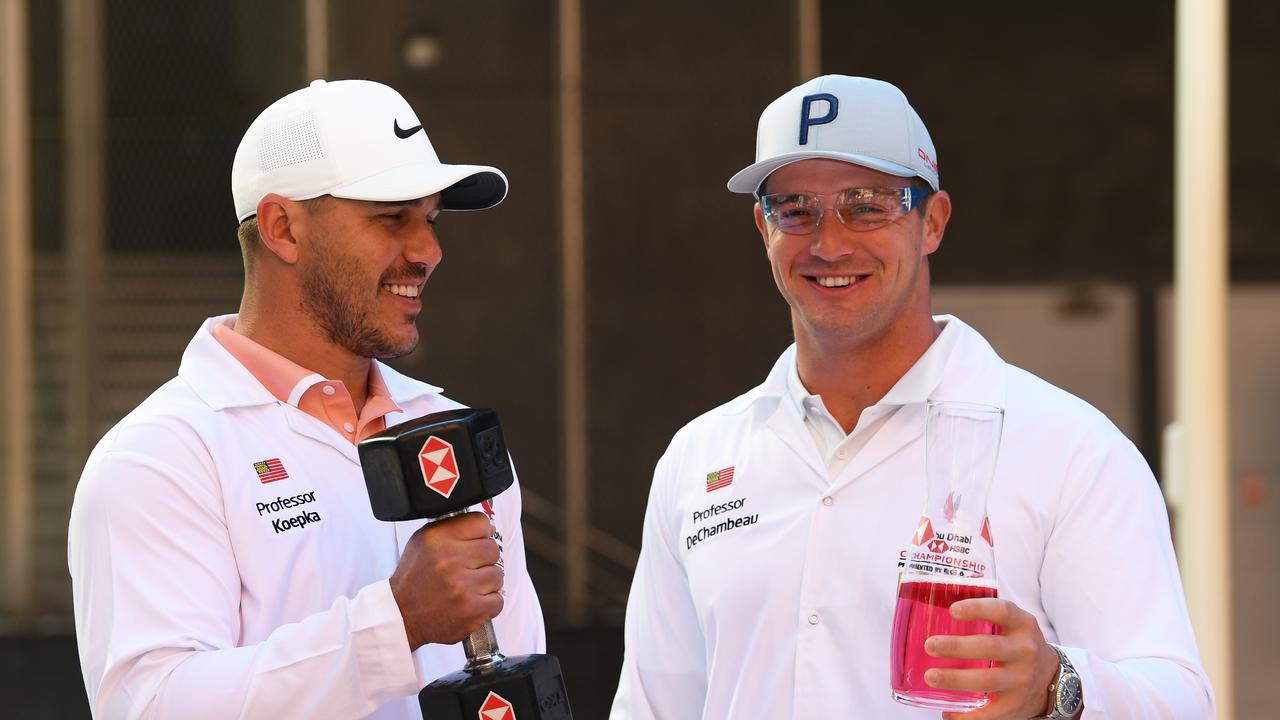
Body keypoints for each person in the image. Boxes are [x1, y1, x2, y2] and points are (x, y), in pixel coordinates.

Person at [610, 75, 1214, 719]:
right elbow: (653, 707)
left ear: (934, 223)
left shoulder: (1066, 445)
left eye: (867, 205)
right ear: (763, 227)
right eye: (796, 208)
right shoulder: (699, 457)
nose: (829, 242)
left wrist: (1054, 687)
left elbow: (1181, 701)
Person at [68, 79, 545, 719]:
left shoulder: (450, 430)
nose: (429, 251)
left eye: (429, 219)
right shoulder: (160, 456)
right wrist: (394, 624)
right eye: (390, 217)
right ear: (282, 228)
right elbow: (152, 706)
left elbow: (516, 674)